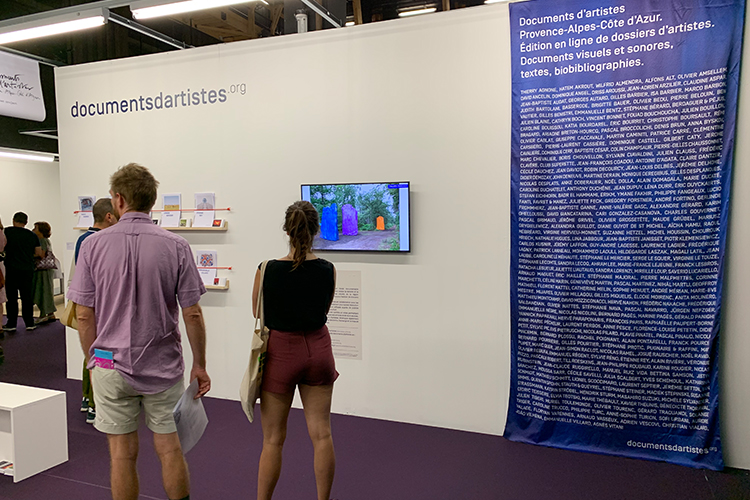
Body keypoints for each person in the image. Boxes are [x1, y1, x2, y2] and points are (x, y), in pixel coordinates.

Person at [68, 163, 211, 500]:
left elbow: (84, 316)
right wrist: (200, 364)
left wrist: (93, 361)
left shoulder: (92, 246)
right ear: (152, 200)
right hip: (163, 364)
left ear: (118, 200)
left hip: (110, 363)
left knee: (121, 455)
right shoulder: (176, 245)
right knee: (170, 449)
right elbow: (192, 313)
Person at [252, 200, 338, 500]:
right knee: (322, 434)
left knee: (273, 440)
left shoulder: (267, 269)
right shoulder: (328, 269)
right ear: (316, 230)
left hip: (281, 353)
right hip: (319, 349)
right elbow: (324, 309)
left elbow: (257, 313)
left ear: (287, 231)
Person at [73, 198, 119, 424]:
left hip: (89, 308)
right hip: (101, 309)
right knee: (101, 356)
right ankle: (95, 403)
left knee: (90, 354)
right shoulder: (99, 242)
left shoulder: (83, 239)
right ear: (109, 216)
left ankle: (86, 397)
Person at [2, 212, 43, 333]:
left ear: (13, 220)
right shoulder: (32, 235)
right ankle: (29, 323)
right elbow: (38, 252)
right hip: (27, 269)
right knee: (27, 297)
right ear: (26, 222)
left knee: (11, 298)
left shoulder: (6, 232)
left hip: (10, 269)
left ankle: (11, 323)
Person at [31, 222, 56, 325]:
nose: (33, 230)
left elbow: (41, 254)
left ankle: (43, 315)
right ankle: (50, 313)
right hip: (47, 270)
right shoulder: (47, 241)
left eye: (35, 228)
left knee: (42, 291)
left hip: (42, 271)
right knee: (47, 291)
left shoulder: (41, 241)